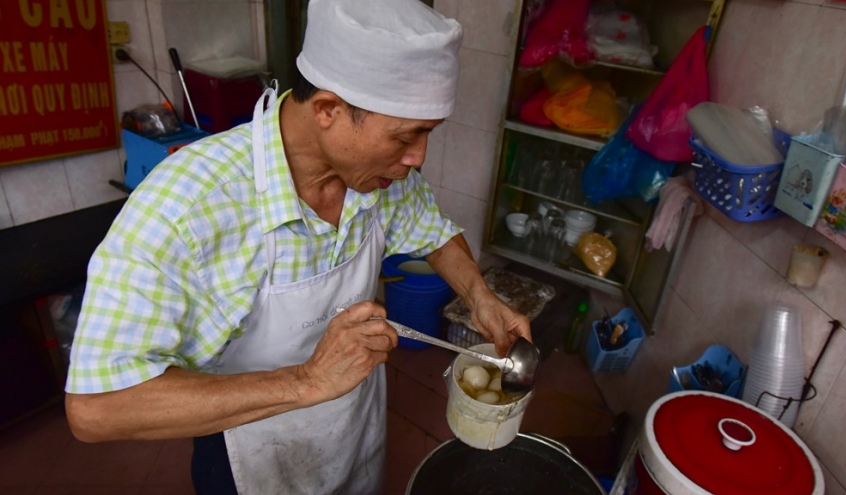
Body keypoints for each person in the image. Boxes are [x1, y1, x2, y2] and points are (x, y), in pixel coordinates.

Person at [64, 0, 531, 494]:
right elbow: (98, 407)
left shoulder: (378, 178)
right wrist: (306, 381)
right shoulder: (185, 207)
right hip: (252, 455)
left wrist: (479, 297)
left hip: (354, 433)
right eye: (405, 137)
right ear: (328, 109)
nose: (417, 158)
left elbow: (431, 229)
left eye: (427, 134)